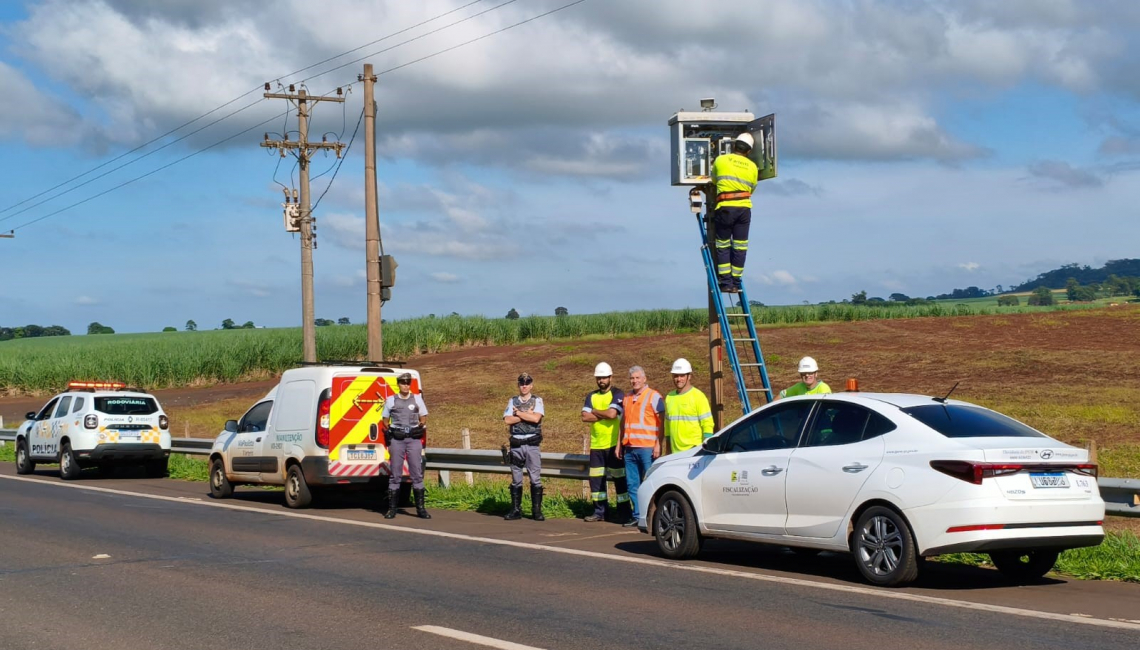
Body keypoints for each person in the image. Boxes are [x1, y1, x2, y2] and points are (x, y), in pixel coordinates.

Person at [580, 362, 629, 523]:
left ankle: (624, 513)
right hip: (596, 445)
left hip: (614, 444)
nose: (601, 380)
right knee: (596, 481)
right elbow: (584, 417)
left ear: (610, 377)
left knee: (620, 481)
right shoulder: (591, 396)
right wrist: (603, 414)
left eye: (604, 377)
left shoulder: (617, 393)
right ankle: (600, 512)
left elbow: (612, 413)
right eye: (599, 378)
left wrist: (594, 411)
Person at [712, 132, 759, 293]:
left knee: (723, 245)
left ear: (734, 146)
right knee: (740, 247)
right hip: (744, 209)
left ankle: (725, 283)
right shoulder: (753, 166)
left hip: (725, 208)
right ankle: (736, 282)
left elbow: (714, 180)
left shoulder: (721, 160)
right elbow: (752, 187)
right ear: (749, 151)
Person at [617, 365, 664, 528]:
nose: (634, 381)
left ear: (644, 379)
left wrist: (658, 443)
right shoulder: (627, 398)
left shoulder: (654, 396)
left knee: (650, 482)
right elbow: (622, 423)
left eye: (637, 378)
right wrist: (619, 444)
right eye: (632, 378)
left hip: (647, 448)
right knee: (632, 483)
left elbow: (661, 422)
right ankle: (638, 515)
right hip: (629, 447)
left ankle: (653, 515)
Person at [382, 373, 430, 520]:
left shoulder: (416, 399)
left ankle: (421, 509)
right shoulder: (391, 400)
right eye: (403, 383)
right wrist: (392, 430)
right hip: (397, 439)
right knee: (395, 474)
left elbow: (423, 416)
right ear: (398, 384)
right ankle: (392, 509)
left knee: (416, 473)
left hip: (413, 439)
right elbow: (385, 420)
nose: (406, 386)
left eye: (408, 383)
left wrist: (419, 426)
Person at [502, 372, 545, 521]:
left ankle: (536, 511)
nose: (524, 386)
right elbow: (507, 420)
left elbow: (536, 418)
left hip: (532, 444)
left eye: (527, 383)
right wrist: (526, 414)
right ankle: (515, 510)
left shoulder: (537, 400)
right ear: (518, 385)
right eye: (521, 383)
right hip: (516, 445)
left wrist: (518, 413)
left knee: (535, 479)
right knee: (516, 479)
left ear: (531, 385)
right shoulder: (512, 400)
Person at [664, 358, 714, 454]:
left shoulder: (698, 396)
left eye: (682, 376)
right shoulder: (669, 397)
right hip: (675, 453)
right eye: (676, 376)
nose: (679, 379)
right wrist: (668, 449)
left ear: (689, 376)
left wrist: (706, 450)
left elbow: (708, 424)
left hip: (694, 451)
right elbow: (668, 426)